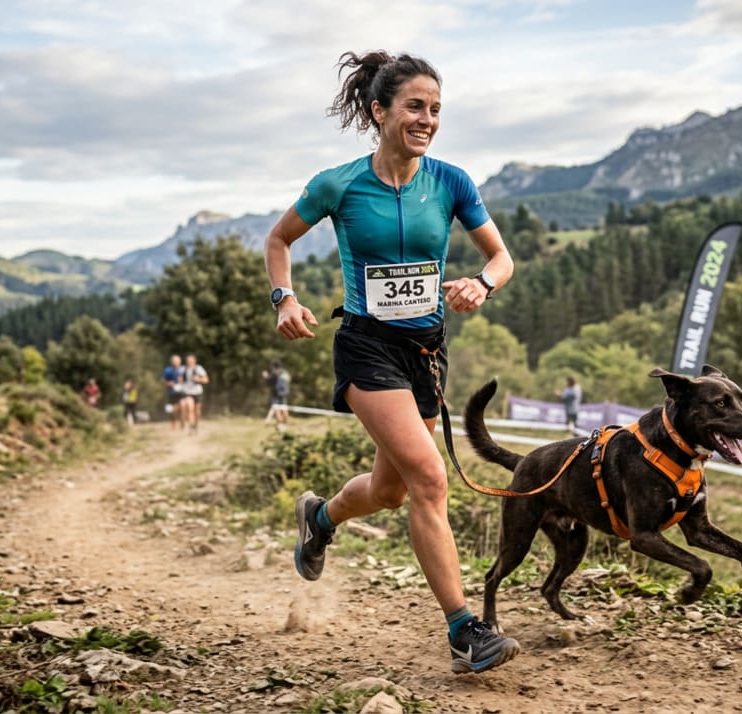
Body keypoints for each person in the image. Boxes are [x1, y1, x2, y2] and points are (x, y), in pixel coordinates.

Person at [264, 50, 517, 675]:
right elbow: (278, 239)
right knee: (430, 479)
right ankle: (464, 632)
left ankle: (320, 517)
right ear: (380, 111)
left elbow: (501, 258)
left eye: (435, 109)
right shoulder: (339, 184)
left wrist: (481, 283)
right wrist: (284, 298)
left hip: (425, 352)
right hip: (366, 346)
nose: (427, 119)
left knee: (390, 490)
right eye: (414, 106)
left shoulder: (452, 182)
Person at [180, 354, 209, 434]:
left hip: (197, 392)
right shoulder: (183, 369)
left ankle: (195, 425)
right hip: (187, 392)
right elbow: (179, 379)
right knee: (190, 409)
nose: (189, 362)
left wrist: (198, 379)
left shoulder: (199, 369)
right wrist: (180, 380)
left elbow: (206, 380)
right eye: (188, 361)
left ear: (194, 361)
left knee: (197, 412)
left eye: (191, 361)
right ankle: (191, 427)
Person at [262, 360, 291, 429]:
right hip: (284, 392)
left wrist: (265, 377)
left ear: (273, 366)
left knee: (277, 409)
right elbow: (289, 379)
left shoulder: (275, 372)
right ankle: (284, 424)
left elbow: (269, 381)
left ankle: (281, 424)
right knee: (284, 408)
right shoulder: (285, 372)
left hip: (276, 393)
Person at [162, 355, 185, 430]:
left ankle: (182, 423)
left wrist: (183, 381)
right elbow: (163, 381)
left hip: (182, 392)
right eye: (175, 361)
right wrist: (169, 383)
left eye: (178, 361)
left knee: (183, 406)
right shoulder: (168, 370)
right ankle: (173, 421)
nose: (176, 362)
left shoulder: (183, 369)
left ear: (180, 361)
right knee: (173, 410)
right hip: (172, 392)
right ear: (171, 362)